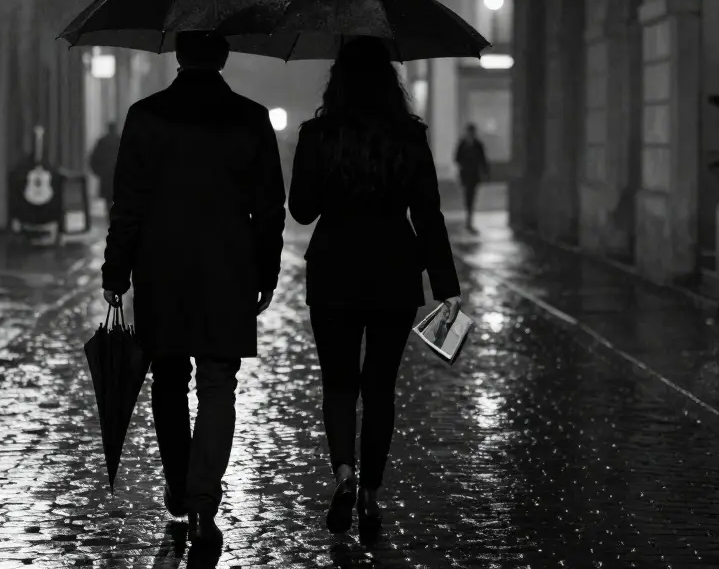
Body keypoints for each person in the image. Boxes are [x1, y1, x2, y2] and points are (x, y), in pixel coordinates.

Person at [100, 31, 286, 546]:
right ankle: (203, 497)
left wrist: (116, 271)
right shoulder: (251, 117)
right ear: (224, 56)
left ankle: (179, 486)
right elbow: (271, 210)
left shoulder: (146, 115)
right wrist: (265, 273)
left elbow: (128, 204)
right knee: (218, 384)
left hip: (162, 267)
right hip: (229, 268)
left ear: (179, 56)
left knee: (168, 379)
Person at [288, 36, 462, 534]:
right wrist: (445, 284)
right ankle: (370, 494)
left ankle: (343, 471)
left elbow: (301, 209)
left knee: (338, 382)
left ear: (337, 80)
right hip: (394, 270)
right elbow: (428, 214)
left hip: (334, 268)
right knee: (380, 387)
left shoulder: (318, 135)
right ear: (390, 82)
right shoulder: (409, 135)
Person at [454, 123, 491, 233]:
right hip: (466, 174)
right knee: (468, 195)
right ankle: (469, 216)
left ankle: (469, 217)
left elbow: (483, 159)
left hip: (474, 174)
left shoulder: (477, 145)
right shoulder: (463, 144)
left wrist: (485, 172)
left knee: (471, 195)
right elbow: (457, 158)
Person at [89, 122, 122, 222]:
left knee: (108, 201)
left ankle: (110, 219)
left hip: (106, 176)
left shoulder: (102, 141)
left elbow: (93, 159)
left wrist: (99, 172)